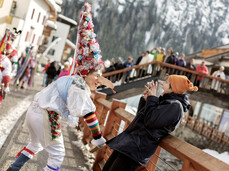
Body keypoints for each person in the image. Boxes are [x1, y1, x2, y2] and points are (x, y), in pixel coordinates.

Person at [7, 2, 114, 171]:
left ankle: (13, 168)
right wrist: (98, 137)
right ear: (86, 74)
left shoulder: (71, 79)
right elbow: (89, 114)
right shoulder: (78, 87)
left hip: (34, 111)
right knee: (58, 154)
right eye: (96, 76)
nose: (99, 80)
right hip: (46, 117)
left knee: (35, 145)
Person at [103, 75, 198, 171]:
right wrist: (146, 100)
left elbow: (150, 122)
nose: (162, 83)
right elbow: (142, 119)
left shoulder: (175, 107)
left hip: (136, 149)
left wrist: (152, 98)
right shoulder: (166, 100)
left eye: (166, 82)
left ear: (173, 87)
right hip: (130, 143)